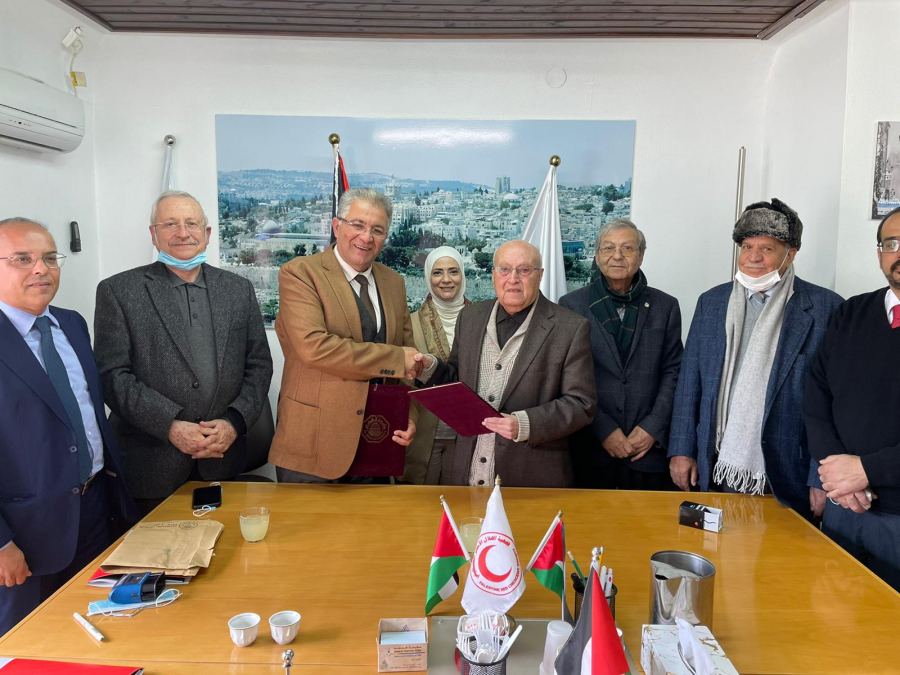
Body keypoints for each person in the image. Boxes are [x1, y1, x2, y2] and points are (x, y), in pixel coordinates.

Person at [94, 191, 273, 516]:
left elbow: (259, 365)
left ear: (207, 233)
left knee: (220, 540)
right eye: (170, 224)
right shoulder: (118, 291)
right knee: (157, 547)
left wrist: (233, 423)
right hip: (152, 465)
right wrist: (170, 425)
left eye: (191, 223)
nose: (182, 232)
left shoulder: (238, 290)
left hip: (220, 459)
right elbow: (112, 376)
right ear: (154, 234)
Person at [0, 218, 136, 635]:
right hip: (25, 531)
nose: (40, 269)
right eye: (22, 259)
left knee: (100, 628)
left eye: (49, 258)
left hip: (95, 508)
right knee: (30, 644)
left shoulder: (71, 324)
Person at [668, 198, 842, 519]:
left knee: (780, 551)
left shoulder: (826, 309)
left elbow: (834, 402)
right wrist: (681, 449)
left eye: (767, 249)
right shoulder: (712, 303)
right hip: (716, 463)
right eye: (747, 247)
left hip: (788, 470)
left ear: (791, 254)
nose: (754, 257)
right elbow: (689, 383)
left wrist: (820, 476)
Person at [270, 188, 420, 482]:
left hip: (378, 439)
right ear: (336, 226)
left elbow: (408, 359)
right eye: (358, 225)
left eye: (377, 230)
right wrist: (395, 359)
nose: (367, 237)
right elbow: (315, 348)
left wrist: (408, 414)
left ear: (385, 237)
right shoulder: (301, 273)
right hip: (314, 443)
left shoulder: (394, 282)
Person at [419, 239, 596, 487]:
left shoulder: (571, 328)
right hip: (466, 475)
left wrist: (525, 424)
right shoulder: (470, 317)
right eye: (504, 269)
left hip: (530, 478)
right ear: (493, 275)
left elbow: (581, 404)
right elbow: (457, 380)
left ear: (540, 275)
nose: (513, 279)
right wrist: (430, 367)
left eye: (524, 270)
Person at [804, 206, 900, 589]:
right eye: (892, 243)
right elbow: (816, 394)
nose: (899, 253)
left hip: (896, 518)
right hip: (844, 507)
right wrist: (837, 473)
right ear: (879, 253)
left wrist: (867, 471)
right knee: (833, 619)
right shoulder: (851, 313)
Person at [560, 219, 682, 490]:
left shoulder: (665, 306)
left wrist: (652, 427)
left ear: (641, 255)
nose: (617, 256)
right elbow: (569, 378)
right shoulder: (571, 306)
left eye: (627, 248)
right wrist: (604, 430)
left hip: (648, 451)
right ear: (597, 255)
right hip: (591, 448)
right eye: (608, 248)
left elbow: (674, 371)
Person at [403, 246, 471, 484]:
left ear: (462, 275)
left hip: (470, 434)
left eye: (453, 271)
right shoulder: (410, 323)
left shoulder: (484, 320)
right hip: (424, 433)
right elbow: (404, 381)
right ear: (427, 277)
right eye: (437, 272)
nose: (446, 280)